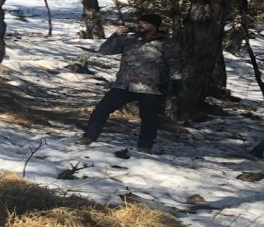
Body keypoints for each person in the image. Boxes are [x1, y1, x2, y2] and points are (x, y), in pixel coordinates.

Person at [77, 13, 184, 154]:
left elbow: (175, 63)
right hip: (124, 84)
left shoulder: (168, 43)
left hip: (151, 87)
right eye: (139, 22)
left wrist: (176, 81)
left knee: (149, 119)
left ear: (155, 26)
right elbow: (105, 50)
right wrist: (115, 35)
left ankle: (145, 147)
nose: (140, 25)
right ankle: (88, 137)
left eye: (145, 23)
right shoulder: (130, 40)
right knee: (101, 109)